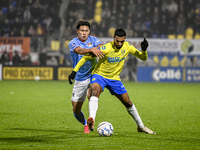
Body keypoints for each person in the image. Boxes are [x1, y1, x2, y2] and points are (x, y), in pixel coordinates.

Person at [68, 28, 156, 134]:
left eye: (121, 41)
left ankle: (141, 126)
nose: (119, 43)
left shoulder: (128, 47)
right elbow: (85, 58)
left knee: (128, 102)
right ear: (113, 37)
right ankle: (92, 119)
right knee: (95, 90)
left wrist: (144, 50)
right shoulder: (106, 48)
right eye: (117, 40)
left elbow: (143, 58)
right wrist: (74, 71)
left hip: (114, 79)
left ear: (125, 39)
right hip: (99, 75)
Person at [68, 20, 104, 133]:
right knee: (76, 109)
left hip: (94, 74)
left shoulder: (93, 39)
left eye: (86, 31)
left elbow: (101, 46)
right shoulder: (73, 42)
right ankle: (85, 123)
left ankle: (91, 119)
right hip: (80, 78)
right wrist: (91, 50)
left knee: (93, 92)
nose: (84, 33)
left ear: (89, 31)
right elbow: (79, 51)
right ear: (77, 31)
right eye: (82, 30)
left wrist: (99, 47)